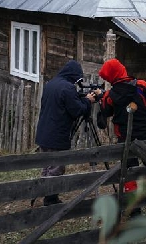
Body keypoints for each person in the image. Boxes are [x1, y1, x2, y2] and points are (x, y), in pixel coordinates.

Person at [95, 58, 146, 215]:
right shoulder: (142, 86)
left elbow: (105, 114)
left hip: (125, 139)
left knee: (129, 173)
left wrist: (101, 97)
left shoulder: (110, 96)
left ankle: (135, 209)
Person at [35, 60, 96, 206]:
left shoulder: (51, 84)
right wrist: (88, 101)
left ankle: (44, 192)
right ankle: (50, 199)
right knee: (56, 167)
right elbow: (76, 111)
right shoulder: (67, 88)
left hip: (44, 132)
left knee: (47, 166)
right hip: (57, 134)